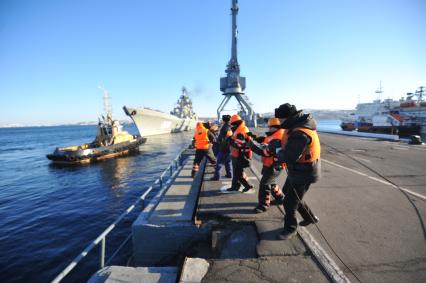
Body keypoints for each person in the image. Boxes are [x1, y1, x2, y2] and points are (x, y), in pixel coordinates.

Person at [275, 103, 321, 240]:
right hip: (298, 170)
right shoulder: (298, 126)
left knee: (289, 202)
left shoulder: (300, 132)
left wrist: (277, 151)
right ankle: (310, 218)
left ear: (288, 118)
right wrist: (278, 145)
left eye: (281, 120)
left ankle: (290, 229)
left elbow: (290, 156)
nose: (280, 123)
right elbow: (289, 145)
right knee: (291, 195)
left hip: (304, 172)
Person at [250, 118, 285, 213]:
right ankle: (280, 197)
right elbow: (267, 141)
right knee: (271, 182)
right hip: (270, 164)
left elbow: (265, 152)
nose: (268, 129)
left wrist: (251, 145)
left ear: (275, 127)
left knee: (264, 184)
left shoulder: (277, 138)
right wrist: (256, 138)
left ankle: (263, 205)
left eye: (270, 127)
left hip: (274, 165)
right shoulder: (275, 135)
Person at [227, 114, 254, 193]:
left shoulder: (241, 131)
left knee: (237, 173)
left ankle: (247, 185)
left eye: (233, 124)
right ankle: (235, 186)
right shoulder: (242, 128)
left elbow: (240, 144)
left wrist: (230, 141)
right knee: (237, 172)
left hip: (239, 155)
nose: (232, 125)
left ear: (236, 123)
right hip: (237, 154)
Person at [210, 115, 233, 180]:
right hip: (230, 148)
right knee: (228, 162)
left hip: (224, 148)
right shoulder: (230, 127)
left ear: (223, 120)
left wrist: (216, 141)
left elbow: (220, 139)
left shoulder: (224, 128)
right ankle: (229, 174)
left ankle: (217, 177)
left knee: (219, 163)